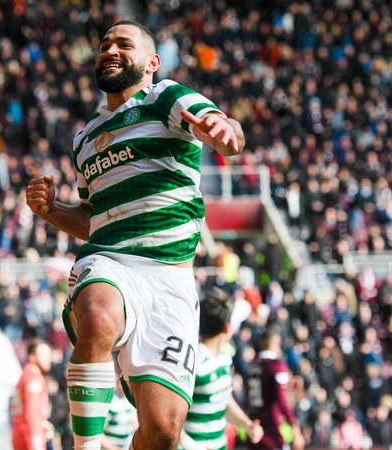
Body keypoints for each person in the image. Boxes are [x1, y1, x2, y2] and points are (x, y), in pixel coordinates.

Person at [26, 20, 244, 450]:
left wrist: (225, 131)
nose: (110, 49)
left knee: (162, 430)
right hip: (111, 261)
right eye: (105, 44)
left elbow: (221, 126)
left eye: (124, 44)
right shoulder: (85, 138)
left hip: (171, 280)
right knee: (98, 314)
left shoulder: (167, 96)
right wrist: (51, 210)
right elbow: (95, 217)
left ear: (151, 63)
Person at [179, 287, 263, 450]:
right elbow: (170, 415)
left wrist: (247, 424)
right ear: (227, 327)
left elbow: (223, 399)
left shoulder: (225, 360)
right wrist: (192, 446)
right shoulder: (193, 363)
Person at [246, 329, 305, 450]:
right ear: (278, 343)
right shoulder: (277, 365)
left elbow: (264, 389)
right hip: (272, 429)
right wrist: (295, 429)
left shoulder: (253, 365)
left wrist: (287, 384)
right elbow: (281, 399)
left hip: (255, 428)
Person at [11, 339, 55, 450]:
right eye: (44, 355)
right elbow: (32, 411)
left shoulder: (26, 374)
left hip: (22, 434)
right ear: (32, 357)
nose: (48, 358)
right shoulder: (33, 378)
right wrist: (35, 438)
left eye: (49, 354)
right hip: (29, 437)